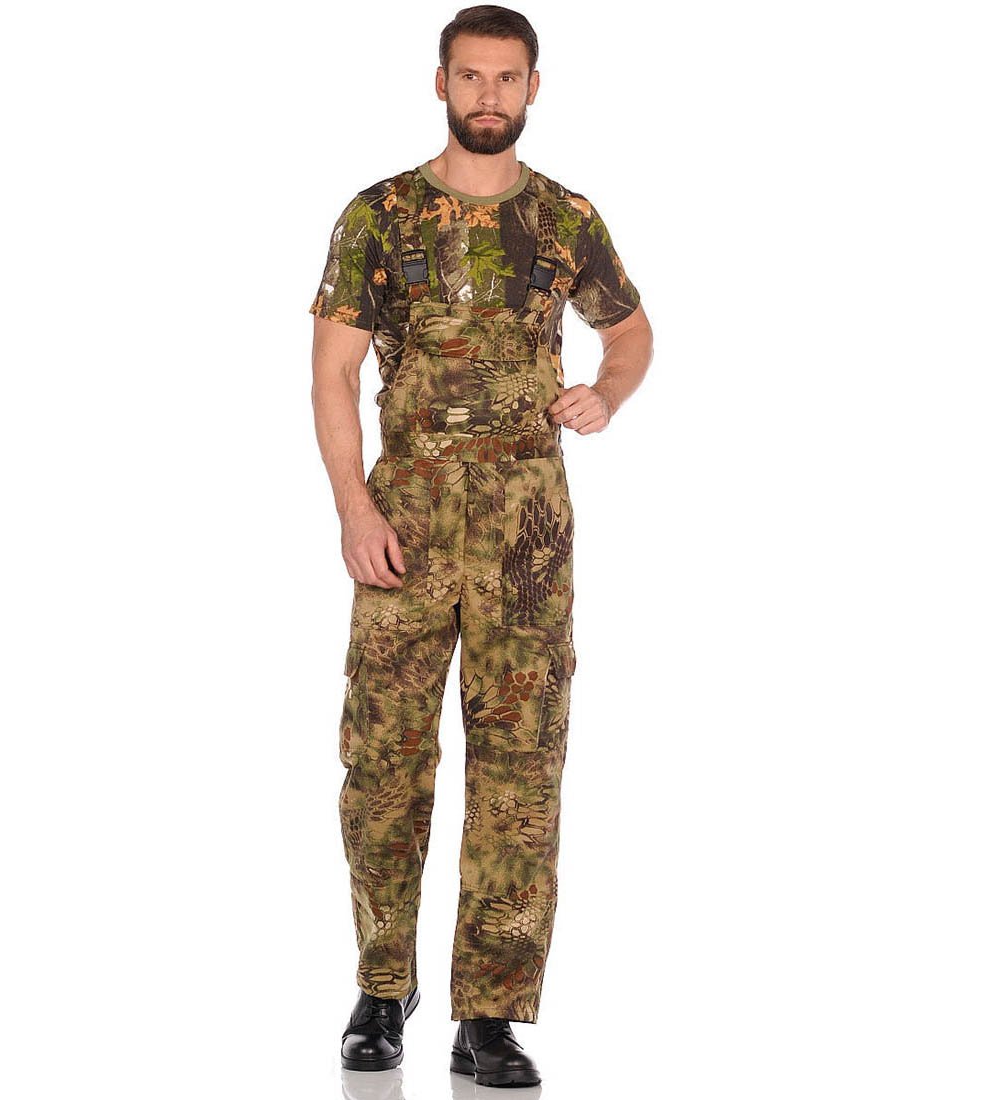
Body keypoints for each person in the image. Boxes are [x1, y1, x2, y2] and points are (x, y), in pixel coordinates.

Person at [308, 5, 653, 1086]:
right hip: (405, 521)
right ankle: (382, 985)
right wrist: (354, 509)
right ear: (441, 84)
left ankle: (490, 1015)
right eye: (471, 76)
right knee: (383, 760)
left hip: (526, 531)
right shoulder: (381, 215)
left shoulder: (565, 218)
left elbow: (630, 329)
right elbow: (331, 374)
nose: (488, 95)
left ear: (533, 88)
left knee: (520, 767)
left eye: (507, 78)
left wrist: (606, 390)